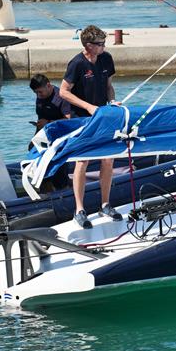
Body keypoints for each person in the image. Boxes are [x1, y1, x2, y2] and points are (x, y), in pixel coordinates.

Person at [60, 25, 121, 229]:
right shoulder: (76, 64)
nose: (104, 46)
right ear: (88, 46)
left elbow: (109, 86)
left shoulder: (106, 59)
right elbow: (63, 92)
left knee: (108, 159)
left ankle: (105, 204)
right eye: (100, 43)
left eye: (105, 43)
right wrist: (88, 107)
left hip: (103, 115)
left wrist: (112, 103)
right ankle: (79, 209)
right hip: (82, 118)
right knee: (82, 162)